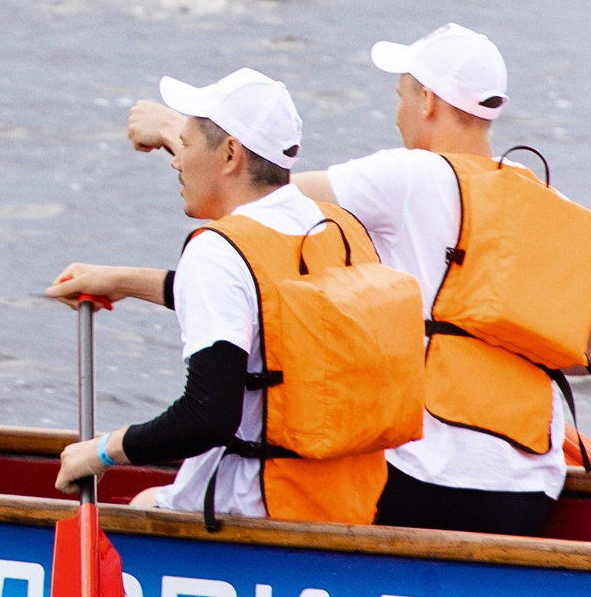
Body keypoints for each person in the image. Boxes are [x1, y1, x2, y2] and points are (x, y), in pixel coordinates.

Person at [47, 68, 424, 527]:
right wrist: (124, 281)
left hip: (251, 510)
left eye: (184, 145)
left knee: (143, 504)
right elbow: (265, 306)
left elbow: (207, 417)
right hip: (344, 507)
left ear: (229, 154)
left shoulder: (218, 249)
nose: (175, 161)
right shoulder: (338, 228)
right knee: (153, 493)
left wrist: (102, 452)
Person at [277, 25, 591, 536]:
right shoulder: (546, 203)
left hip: (427, 472)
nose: (397, 110)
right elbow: (580, 356)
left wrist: (184, 134)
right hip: (528, 480)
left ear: (427, 101)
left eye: (401, 93)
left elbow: (263, 197)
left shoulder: (407, 176)